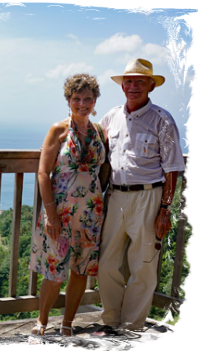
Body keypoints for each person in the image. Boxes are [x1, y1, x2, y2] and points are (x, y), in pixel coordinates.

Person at [90, 58, 186, 351]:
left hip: (149, 198)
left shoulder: (162, 120)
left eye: (139, 82)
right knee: (106, 264)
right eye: (128, 81)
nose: (132, 87)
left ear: (151, 85)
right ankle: (110, 322)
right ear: (122, 86)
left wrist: (164, 210)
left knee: (143, 267)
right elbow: (95, 150)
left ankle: (129, 331)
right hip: (115, 196)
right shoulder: (111, 117)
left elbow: (171, 169)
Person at [28, 73, 105, 350]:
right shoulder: (58, 130)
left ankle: (68, 324)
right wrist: (50, 214)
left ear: (95, 101)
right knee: (53, 270)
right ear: (68, 101)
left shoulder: (98, 131)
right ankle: (41, 321)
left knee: (81, 271)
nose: (82, 103)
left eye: (87, 99)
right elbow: (43, 173)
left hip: (91, 215)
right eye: (76, 99)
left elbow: (103, 171)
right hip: (59, 213)